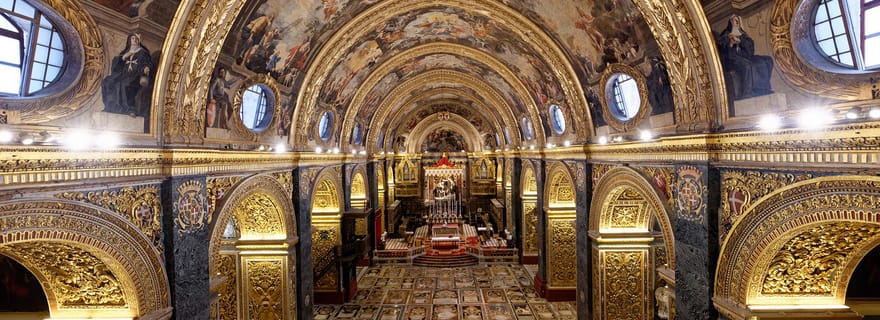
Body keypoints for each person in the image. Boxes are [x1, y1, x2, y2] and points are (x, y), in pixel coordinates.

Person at [718, 14, 774, 100]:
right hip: (731, 58)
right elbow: (722, 47)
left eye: (737, 21)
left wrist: (740, 41)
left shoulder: (743, 34)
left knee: (766, 60)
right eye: (734, 21)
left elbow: (750, 48)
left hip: (745, 56)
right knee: (747, 65)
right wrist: (731, 42)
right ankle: (747, 92)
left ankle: (763, 88)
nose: (736, 23)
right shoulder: (726, 34)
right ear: (730, 22)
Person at [102, 33, 154, 117]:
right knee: (108, 81)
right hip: (124, 74)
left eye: (136, 39)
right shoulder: (126, 51)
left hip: (136, 74)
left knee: (125, 84)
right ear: (129, 40)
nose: (135, 40)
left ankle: (130, 109)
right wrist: (123, 57)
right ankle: (112, 106)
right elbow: (117, 65)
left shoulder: (142, 52)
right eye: (133, 38)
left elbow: (147, 62)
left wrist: (146, 68)